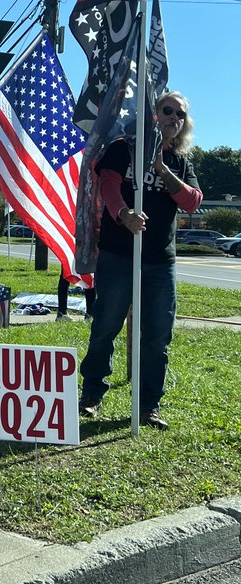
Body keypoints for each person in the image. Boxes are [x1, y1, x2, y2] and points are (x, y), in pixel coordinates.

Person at [78, 91, 203, 429]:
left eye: (180, 115)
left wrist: (162, 169)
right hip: (119, 255)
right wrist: (124, 214)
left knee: (157, 336)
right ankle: (92, 394)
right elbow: (109, 185)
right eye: (167, 110)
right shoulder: (124, 148)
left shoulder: (179, 162)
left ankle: (148, 405)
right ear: (153, 114)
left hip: (161, 262)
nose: (173, 118)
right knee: (106, 326)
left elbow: (192, 201)